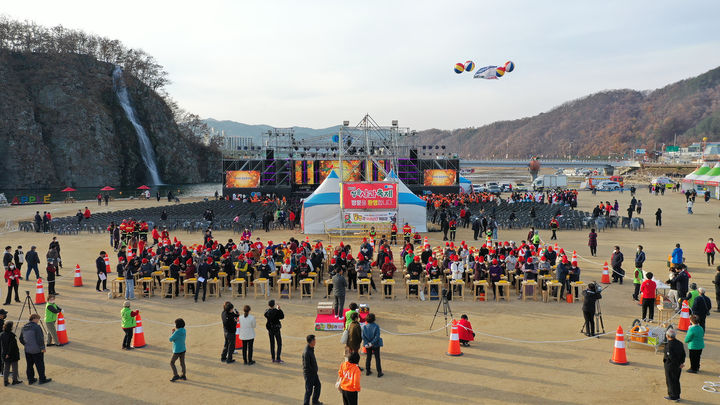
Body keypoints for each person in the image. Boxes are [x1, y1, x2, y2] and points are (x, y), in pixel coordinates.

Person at [19, 314, 51, 384]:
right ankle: (42, 379)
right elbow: (40, 339)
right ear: (34, 318)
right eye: (38, 319)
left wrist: (27, 345)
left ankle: (31, 379)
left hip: (27, 350)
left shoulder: (24, 327)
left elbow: (21, 339)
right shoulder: (36, 327)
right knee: (40, 365)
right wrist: (42, 348)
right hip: (37, 350)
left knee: (29, 365)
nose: (38, 321)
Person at [663, 328, 685, 402]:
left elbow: (671, 357)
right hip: (678, 366)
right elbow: (683, 354)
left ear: (668, 336)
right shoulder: (680, 343)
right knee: (676, 380)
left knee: (671, 381)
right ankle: (677, 395)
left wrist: (679, 364)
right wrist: (681, 363)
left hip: (671, 366)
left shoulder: (668, 345)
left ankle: (673, 396)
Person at [302, 334, 322, 405]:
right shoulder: (307, 352)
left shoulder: (310, 349)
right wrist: (313, 372)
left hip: (313, 372)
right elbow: (307, 365)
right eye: (314, 340)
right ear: (311, 341)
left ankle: (315, 401)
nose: (315, 341)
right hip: (309, 374)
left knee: (318, 385)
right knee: (309, 390)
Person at [0, 321, 22, 386]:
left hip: (4, 353)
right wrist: (8, 354)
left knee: (6, 368)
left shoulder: (1, 334)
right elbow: (11, 346)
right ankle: (15, 380)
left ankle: (5, 381)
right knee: (14, 367)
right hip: (12, 354)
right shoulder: (11, 335)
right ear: (11, 327)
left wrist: (5, 354)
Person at [361, 313, 383, 377]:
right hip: (375, 344)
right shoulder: (376, 326)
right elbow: (377, 336)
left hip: (367, 345)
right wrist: (372, 343)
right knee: (377, 358)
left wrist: (368, 343)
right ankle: (379, 372)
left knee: (368, 357)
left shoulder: (364, 327)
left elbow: (363, 336)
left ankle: (368, 371)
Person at [264, 299, 284, 363]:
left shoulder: (267, 312)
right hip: (276, 328)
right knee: (279, 343)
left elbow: (265, 314)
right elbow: (282, 317)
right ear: (274, 305)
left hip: (270, 328)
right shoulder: (277, 311)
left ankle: (273, 358)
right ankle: (278, 357)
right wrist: (279, 309)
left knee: (272, 343)